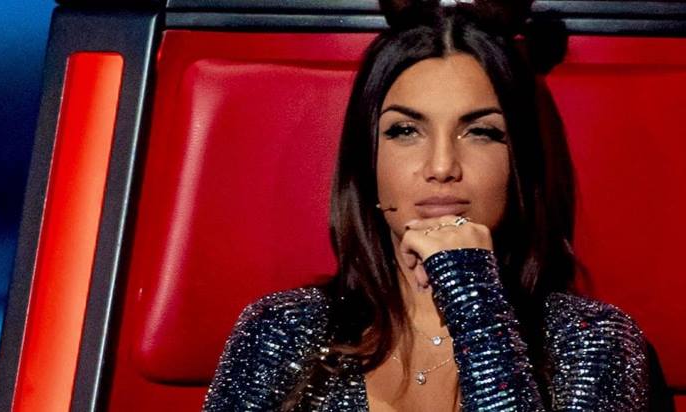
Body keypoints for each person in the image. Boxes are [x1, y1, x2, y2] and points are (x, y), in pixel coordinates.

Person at [204, 0, 649, 410]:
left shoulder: (591, 341)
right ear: (368, 160)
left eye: (481, 132)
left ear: (520, 161)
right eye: (405, 131)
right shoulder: (282, 328)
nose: (441, 167)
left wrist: (471, 294)